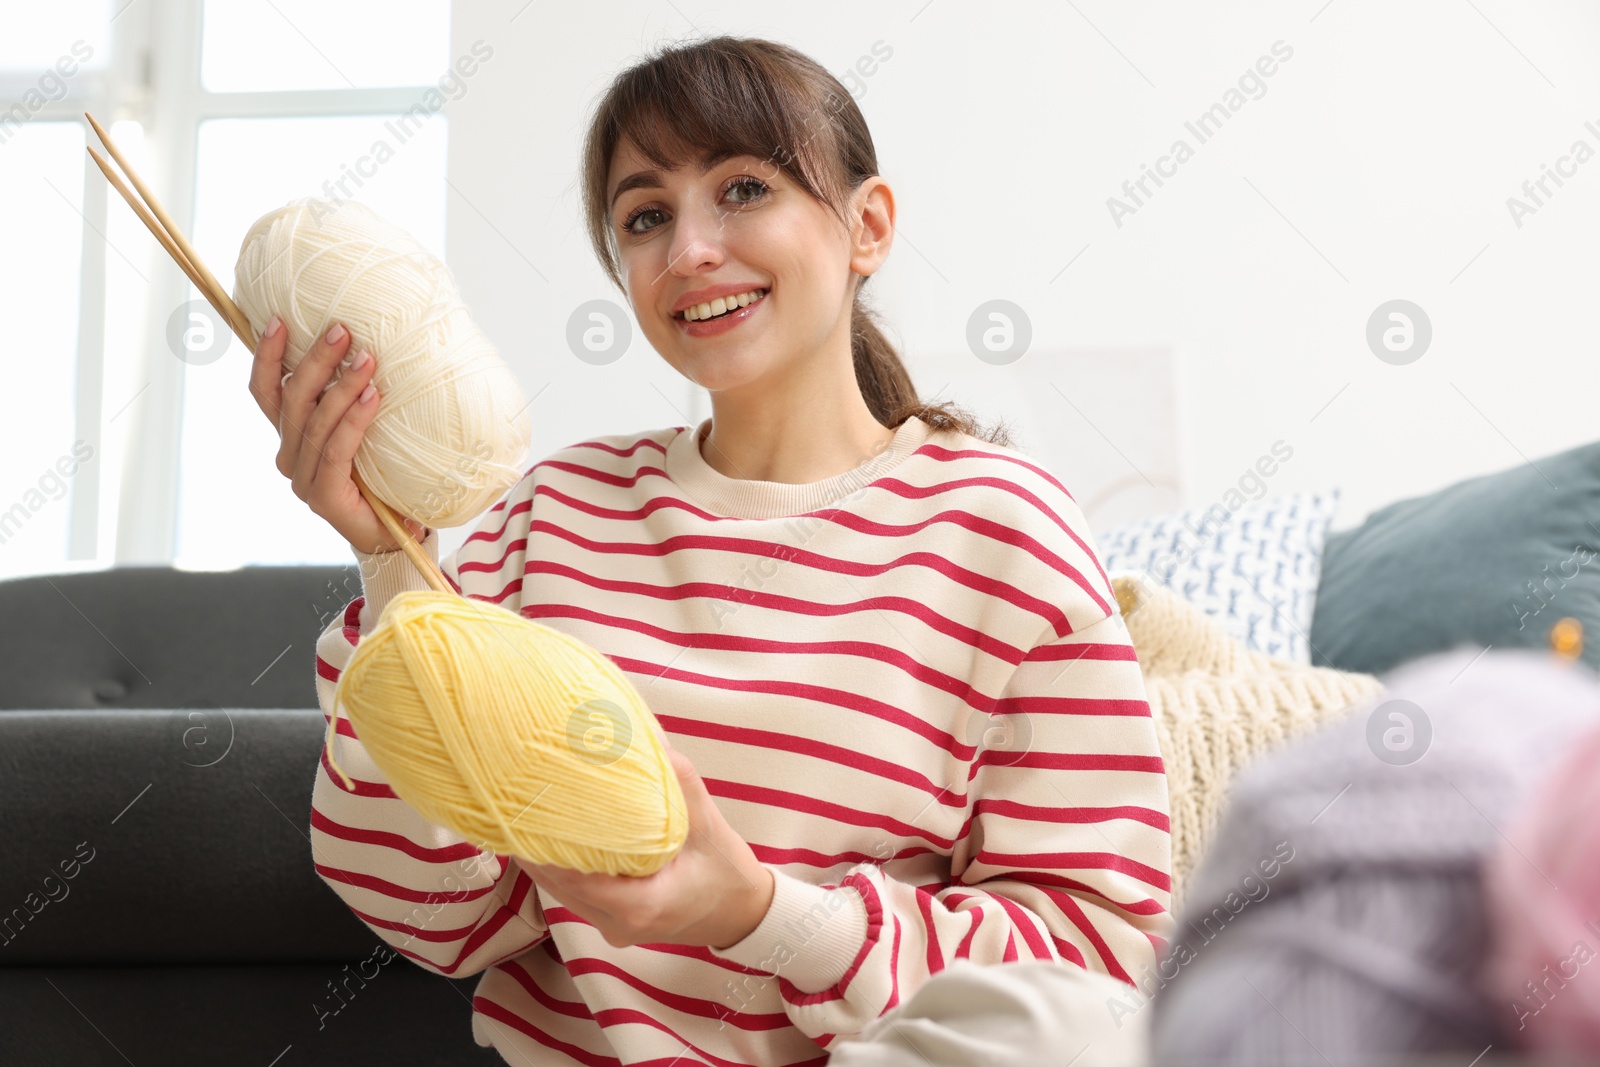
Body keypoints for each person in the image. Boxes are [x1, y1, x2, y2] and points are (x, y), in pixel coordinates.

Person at [249, 34, 1171, 1067]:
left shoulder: (1003, 530)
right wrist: (391, 566)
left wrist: (764, 915)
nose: (690, 249)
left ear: (867, 225)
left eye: (742, 188)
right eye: (645, 216)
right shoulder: (549, 515)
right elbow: (441, 919)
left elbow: (1096, 969)